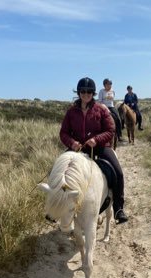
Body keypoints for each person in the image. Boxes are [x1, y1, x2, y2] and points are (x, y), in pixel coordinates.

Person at [59, 77, 128, 224]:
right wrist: (72, 143)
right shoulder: (71, 112)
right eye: (83, 91)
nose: (86, 94)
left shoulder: (101, 109)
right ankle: (57, 207)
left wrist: (96, 140)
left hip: (100, 147)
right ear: (78, 92)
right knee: (58, 172)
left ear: (93, 93)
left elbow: (111, 130)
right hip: (78, 149)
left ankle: (118, 208)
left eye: (89, 91)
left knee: (118, 173)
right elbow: (63, 133)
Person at [98, 78, 123, 143]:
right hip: (103, 107)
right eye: (108, 84)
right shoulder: (101, 91)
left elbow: (112, 101)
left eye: (110, 84)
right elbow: (100, 101)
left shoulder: (112, 91)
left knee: (118, 118)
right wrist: (105, 108)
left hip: (111, 107)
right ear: (104, 85)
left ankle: (119, 134)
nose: (110, 85)